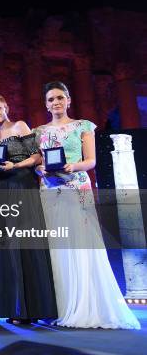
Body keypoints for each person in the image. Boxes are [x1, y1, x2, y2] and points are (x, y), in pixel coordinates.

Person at [34, 81, 140, 329]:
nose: (55, 103)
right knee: (57, 247)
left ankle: (88, 306)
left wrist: (73, 166)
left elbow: (90, 161)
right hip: (51, 189)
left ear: (68, 100)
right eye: (50, 99)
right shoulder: (39, 131)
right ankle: (61, 306)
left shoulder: (83, 126)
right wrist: (39, 169)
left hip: (77, 187)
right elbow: (39, 161)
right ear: (45, 103)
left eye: (60, 98)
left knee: (82, 245)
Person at [0, 94, 57, 324]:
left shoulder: (20, 125)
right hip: (3, 190)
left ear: (6, 107)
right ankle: (17, 307)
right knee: (11, 247)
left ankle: (33, 309)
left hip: (23, 185)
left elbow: (36, 156)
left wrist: (14, 164)